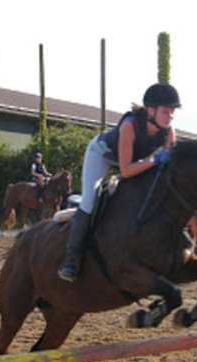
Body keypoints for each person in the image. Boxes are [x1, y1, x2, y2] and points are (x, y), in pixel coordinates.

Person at [57, 83, 180, 282]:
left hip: (133, 161)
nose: (170, 117)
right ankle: (71, 261)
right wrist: (155, 160)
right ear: (151, 110)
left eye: (172, 113)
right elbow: (126, 170)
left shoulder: (168, 132)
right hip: (102, 155)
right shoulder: (129, 126)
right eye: (165, 111)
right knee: (90, 200)